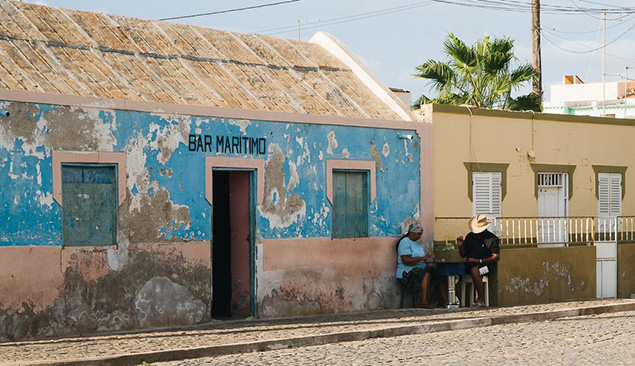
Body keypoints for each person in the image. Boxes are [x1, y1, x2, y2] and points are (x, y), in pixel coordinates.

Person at [456, 214, 500, 307]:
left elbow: (496, 257)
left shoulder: (492, 239)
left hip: (485, 266)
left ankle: (480, 298)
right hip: (470, 264)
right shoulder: (470, 237)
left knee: (475, 270)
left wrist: (479, 261)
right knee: (455, 270)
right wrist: (460, 246)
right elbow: (463, 254)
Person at [397, 222, 435, 308]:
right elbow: (406, 261)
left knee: (438, 274)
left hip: (418, 269)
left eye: (421, 234)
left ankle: (435, 300)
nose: (420, 236)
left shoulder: (417, 243)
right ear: (412, 232)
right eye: (418, 234)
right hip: (406, 273)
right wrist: (423, 258)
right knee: (425, 274)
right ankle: (423, 301)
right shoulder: (405, 242)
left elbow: (421, 259)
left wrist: (426, 264)